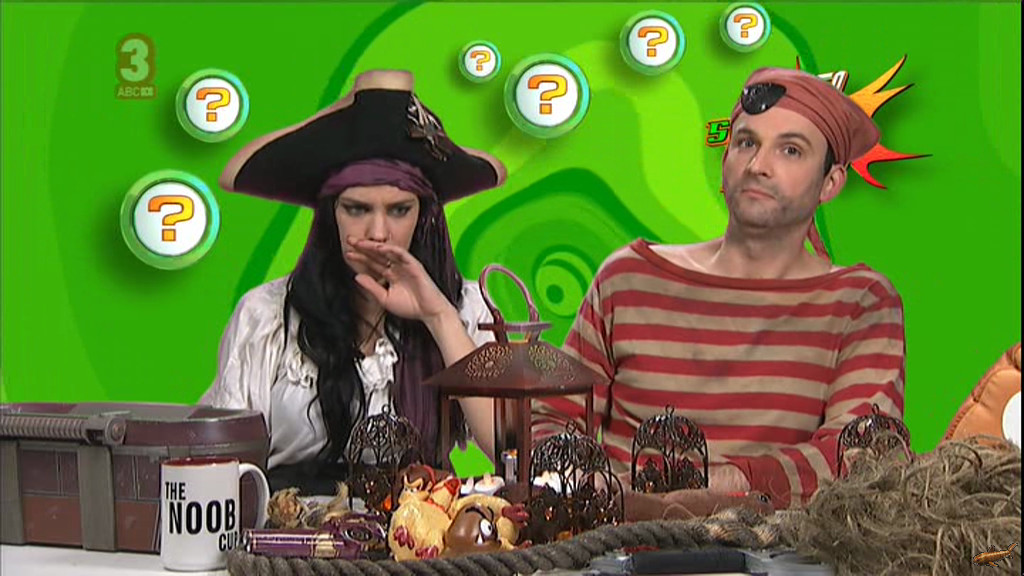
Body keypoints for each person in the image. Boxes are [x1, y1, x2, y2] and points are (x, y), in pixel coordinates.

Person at [532, 67, 907, 509]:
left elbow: (861, 456)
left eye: (790, 150)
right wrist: (580, 484)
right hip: (615, 541)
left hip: (773, 547)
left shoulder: (860, 301)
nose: (758, 166)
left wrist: (711, 486)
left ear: (831, 183)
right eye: (746, 142)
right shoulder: (628, 277)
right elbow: (551, 417)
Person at [201, 70, 507, 493]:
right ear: (331, 217)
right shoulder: (267, 317)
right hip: (291, 529)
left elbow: (510, 451)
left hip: (422, 528)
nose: (378, 233)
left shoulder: (464, 309)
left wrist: (437, 316)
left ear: (424, 218)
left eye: (399, 210)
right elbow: (218, 467)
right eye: (357, 209)